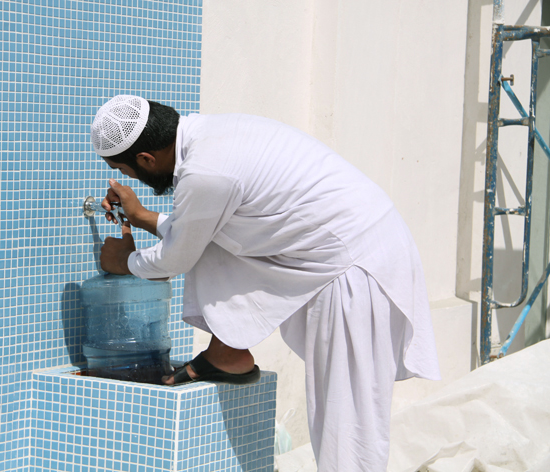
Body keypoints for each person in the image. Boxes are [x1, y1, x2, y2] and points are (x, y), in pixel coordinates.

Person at [91, 94, 440, 471]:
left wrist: (124, 261)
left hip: (354, 270)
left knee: (347, 425)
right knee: (341, 419)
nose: (129, 180)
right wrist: (141, 216)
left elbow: (179, 256)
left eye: (124, 171)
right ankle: (227, 353)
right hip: (349, 252)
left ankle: (227, 353)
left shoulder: (206, 174)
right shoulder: (213, 136)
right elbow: (197, 229)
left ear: (146, 159)